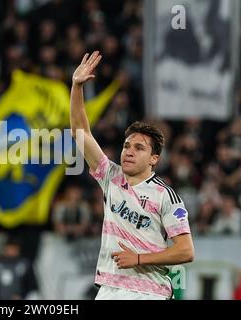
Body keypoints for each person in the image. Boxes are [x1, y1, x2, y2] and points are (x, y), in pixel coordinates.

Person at [70, 51, 195, 300]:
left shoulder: (165, 195)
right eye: (127, 145)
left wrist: (139, 259)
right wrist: (76, 87)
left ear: (154, 159)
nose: (129, 151)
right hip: (108, 288)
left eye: (139, 148)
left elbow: (185, 251)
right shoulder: (111, 176)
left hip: (148, 292)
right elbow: (80, 132)